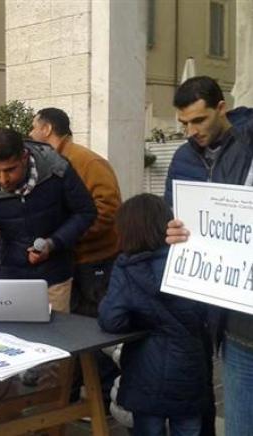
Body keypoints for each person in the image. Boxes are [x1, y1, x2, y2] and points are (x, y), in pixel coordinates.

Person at [165, 76, 253, 436]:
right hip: (226, 317)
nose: (190, 131)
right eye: (184, 123)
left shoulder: (246, 145)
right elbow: (170, 214)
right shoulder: (184, 157)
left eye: (198, 121)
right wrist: (169, 233)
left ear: (221, 109)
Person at [99, 194, 210, 436]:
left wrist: (141, 319)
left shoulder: (127, 268)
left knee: (148, 429)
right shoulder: (191, 260)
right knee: (189, 428)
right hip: (190, 372)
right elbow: (205, 312)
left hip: (144, 374)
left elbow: (112, 319)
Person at [0, 128, 96, 312]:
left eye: (10, 170)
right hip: (9, 279)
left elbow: (86, 212)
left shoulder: (56, 169)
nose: (3, 179)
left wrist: (53, 243)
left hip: (55, 277)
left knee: (56, 338)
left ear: (24, 157)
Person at [30, 107, 121, 317]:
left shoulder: (88, 162)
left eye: (33, 127)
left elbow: (107, 210)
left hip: (93, 261)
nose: (30, 133)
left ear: (47, 129)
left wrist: (66, 237)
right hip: (66, 260)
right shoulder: (46, 163)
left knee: (93, 324)